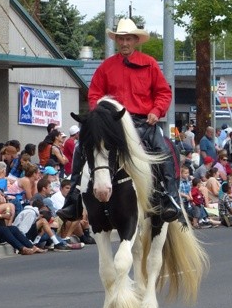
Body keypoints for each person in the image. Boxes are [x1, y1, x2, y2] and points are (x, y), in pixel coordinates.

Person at [57, 18, 181, 224]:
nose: (124, 43)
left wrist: (156, 110)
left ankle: (169, 198)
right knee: (81, 148)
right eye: (121, 39)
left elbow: (163, 92)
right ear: (117, 41)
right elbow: (95, 93)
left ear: (135, 41)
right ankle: (73, 200)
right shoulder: (106, 66)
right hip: (112, 124)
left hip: (143, 122)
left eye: (128, 39)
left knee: (164, 150)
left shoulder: (149, 63)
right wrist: (100, 116)